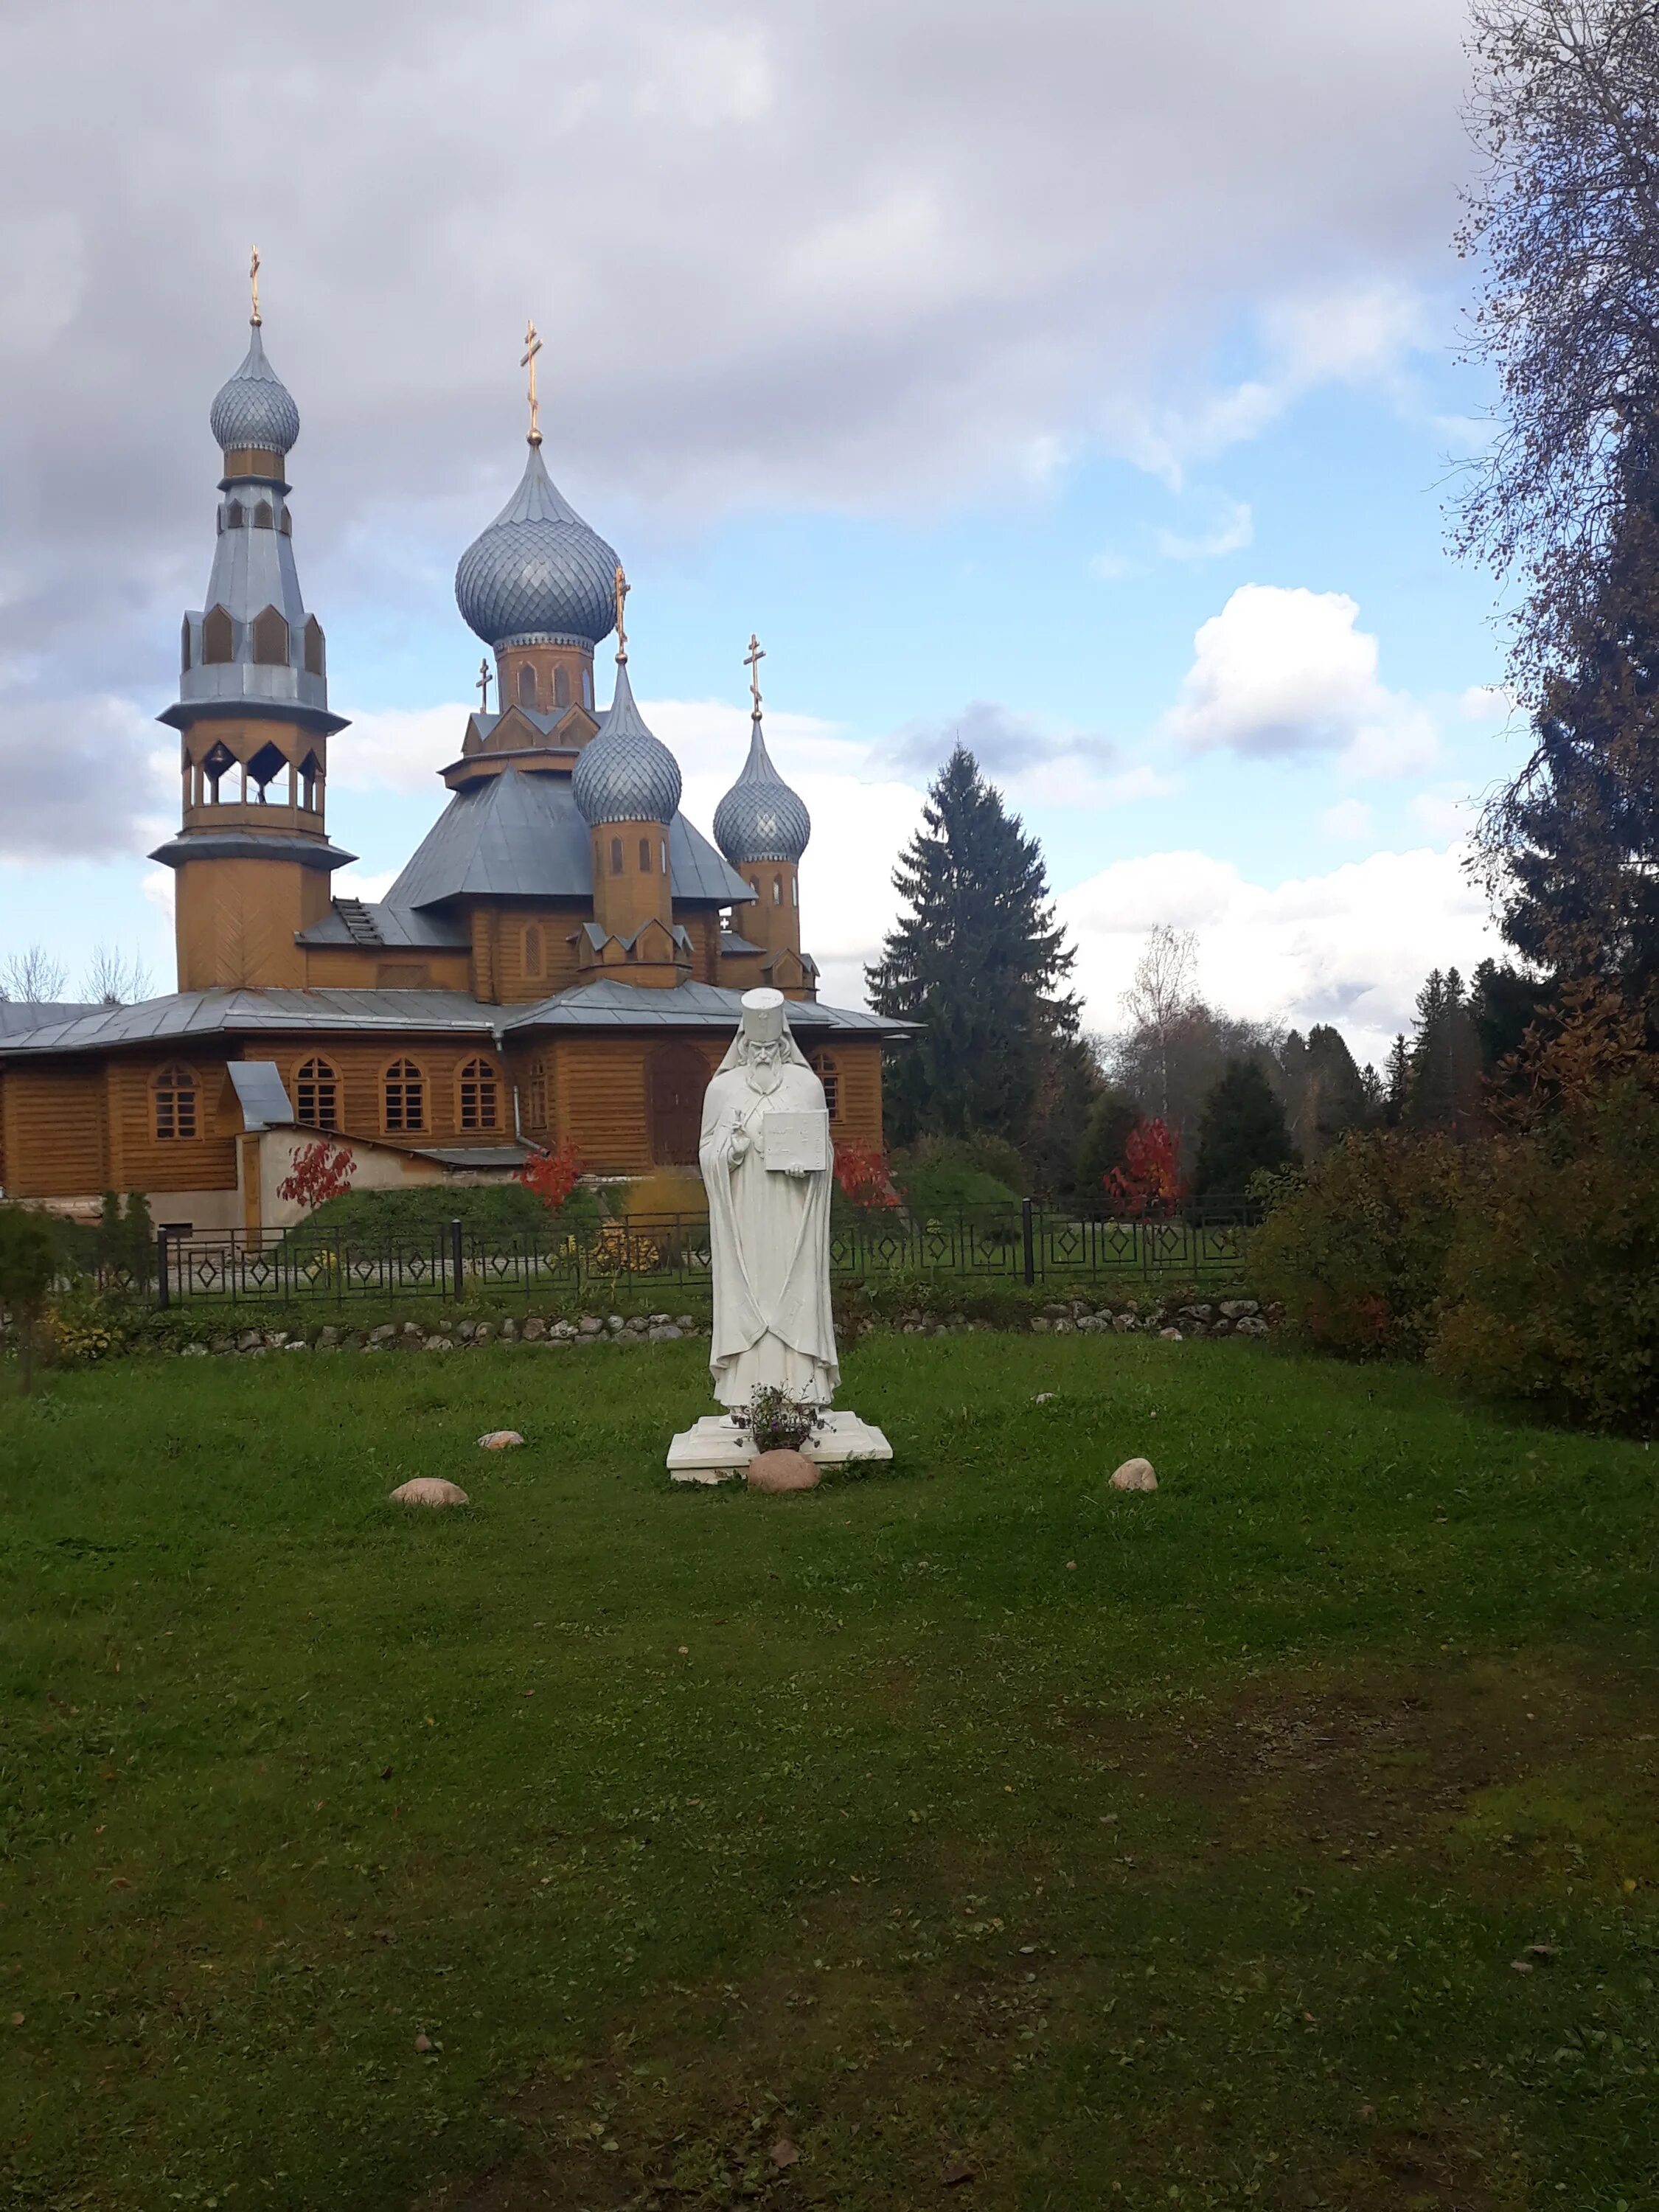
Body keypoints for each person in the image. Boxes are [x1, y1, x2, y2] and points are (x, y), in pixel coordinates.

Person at [699, 987, 839, 1411]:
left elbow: (825, 1151)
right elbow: (707, 1153)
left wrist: (809, 1166)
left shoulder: (806, 1085)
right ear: (742, 1043)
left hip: (791, 1211)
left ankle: (803, 1391)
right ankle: (746, 1397)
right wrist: (732, 1151)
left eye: (770, 1046)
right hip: (744, 1212)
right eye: (754, 1046)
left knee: (791, 1285)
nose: (762, 1053)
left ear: (784, 1043)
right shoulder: (722, 1091)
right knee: (752, 1287)